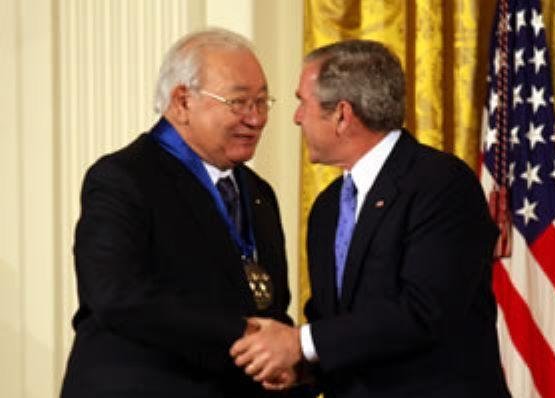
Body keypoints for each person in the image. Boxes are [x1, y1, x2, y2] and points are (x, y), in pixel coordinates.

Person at [230, 39, 511, 397]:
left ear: (342, 115)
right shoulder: (328, 208)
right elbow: (337, 324)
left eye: (303, 102)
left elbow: (423, 312)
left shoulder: (440, 185)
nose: (296, 117)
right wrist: (304, 369)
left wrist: (300, 342)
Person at [61, 28, 303, 397]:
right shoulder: (123, 178)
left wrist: (294, 359)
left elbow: (268, 305)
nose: (255, 119)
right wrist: (246, 336)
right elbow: (116, 294)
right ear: (182, 102)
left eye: (261, 102)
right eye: (238, 103)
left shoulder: (258, 194)